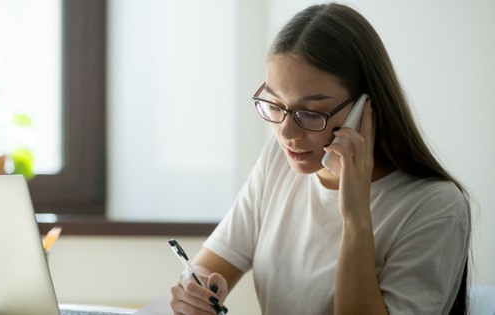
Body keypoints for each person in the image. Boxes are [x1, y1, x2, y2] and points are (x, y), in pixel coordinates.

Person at [169, 3, 471, 315]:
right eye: (275, 104)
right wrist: (195, 290)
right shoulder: (279, 160)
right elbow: (213, 263)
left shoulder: (435, 207)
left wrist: (355, 216)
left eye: (309, 113)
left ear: (365, 106)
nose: (286, 133)